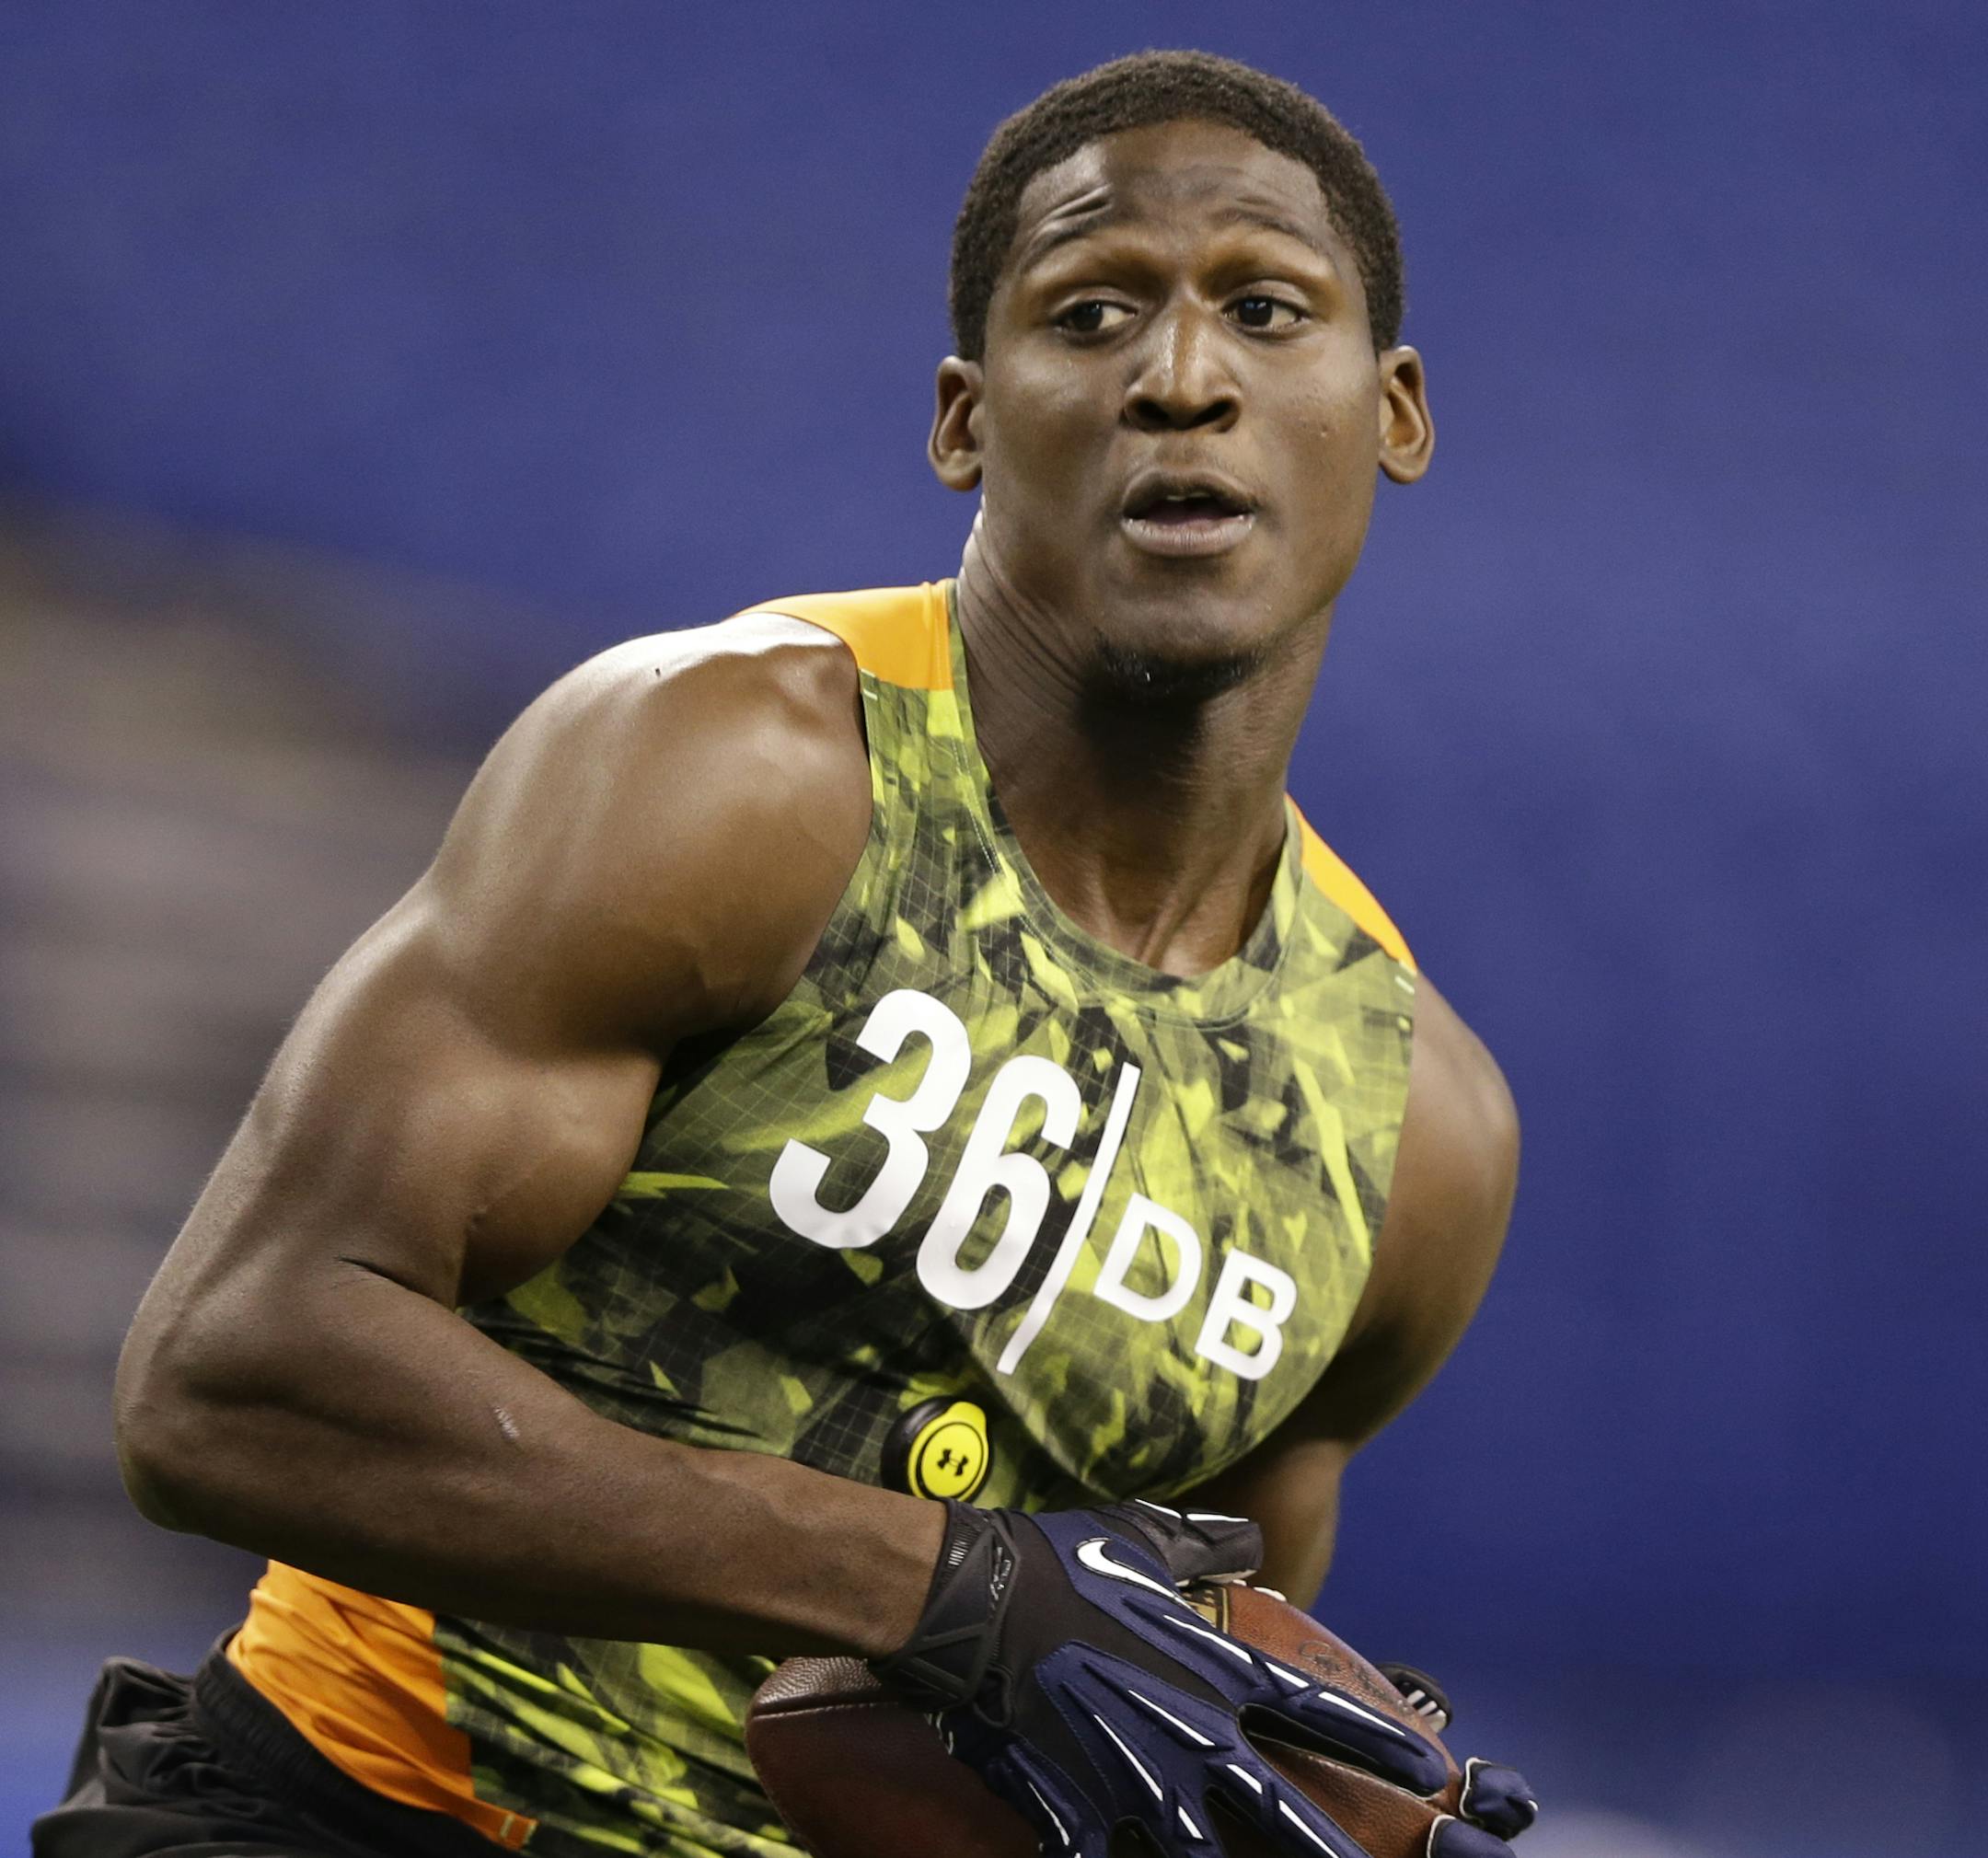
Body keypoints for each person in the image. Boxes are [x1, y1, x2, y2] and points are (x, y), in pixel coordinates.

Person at [37, 48, 1536, 1858]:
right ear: (968, 422)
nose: (1182, 378)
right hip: (354, 1811)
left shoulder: (1410, 1136)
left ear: (1393, 411)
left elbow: (1173, 1733)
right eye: (1094, 314)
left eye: (1266, 313)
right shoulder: (728, 774)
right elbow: (226, 1373)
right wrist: (935, 1580)